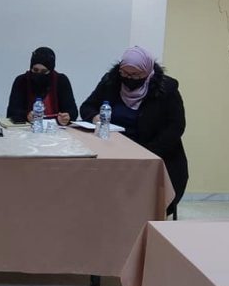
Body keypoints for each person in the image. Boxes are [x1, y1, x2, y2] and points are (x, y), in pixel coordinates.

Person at [80, 46, 188, 217]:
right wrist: (94, 117)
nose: (128, 79)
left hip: (154, 154)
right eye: (124, 73)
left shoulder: (167, 89)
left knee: (142, 206)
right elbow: (87, 106)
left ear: (147, 72)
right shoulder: (111, 81)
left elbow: (176, 126)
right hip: (114, 153)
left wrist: (146, 152)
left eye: (135, 75)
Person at [6, 47, 77, 125]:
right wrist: (26, 115)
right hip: (27, 129)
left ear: (51, 70)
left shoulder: (61, 81)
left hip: (55, 128)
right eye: (35, 70)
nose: (39, 74)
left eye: (44, 71)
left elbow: (73, 112)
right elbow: (12, 112)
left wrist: (66, 117)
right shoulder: (22, 81)